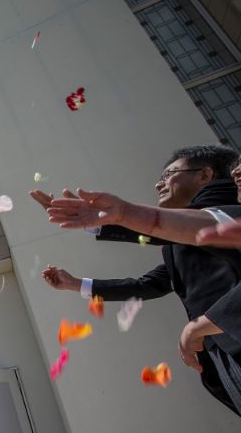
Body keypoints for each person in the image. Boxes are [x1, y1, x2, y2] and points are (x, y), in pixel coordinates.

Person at [35, 146, 241, 414]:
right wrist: (75, 284)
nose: (159, 183)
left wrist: (116, 216)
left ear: (205, 175)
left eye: (169, 174)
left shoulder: (222, 204)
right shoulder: (177, 241)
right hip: (221, 351)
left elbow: (205, 225)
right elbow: (148, 284)